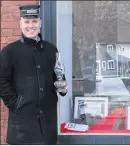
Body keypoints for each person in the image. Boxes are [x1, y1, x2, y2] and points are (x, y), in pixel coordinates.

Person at [0, 5, 67, 144]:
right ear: (20, 24)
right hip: (23, 122)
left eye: (34, 21)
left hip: (48, 120)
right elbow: (1, 81)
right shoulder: (10, 51)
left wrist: (62, 87)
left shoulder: (51, 49)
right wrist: (15, 103)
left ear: (40, 22)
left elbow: (58, 74)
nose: (31, 26)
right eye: (27, 22)